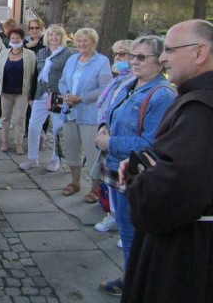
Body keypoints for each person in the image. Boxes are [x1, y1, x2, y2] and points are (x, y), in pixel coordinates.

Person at [119, 20, 213, 303]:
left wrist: (138, 179)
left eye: (170, 50)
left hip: (189, 253)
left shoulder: (201, 111)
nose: (162, 58)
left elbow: (174, 190)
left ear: (200, 53)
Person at [93, 36, 176, 297]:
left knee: (132, 236)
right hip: (120, 170)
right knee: (129, 233)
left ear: (160, 61)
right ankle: (131, 278)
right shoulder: (132, 84)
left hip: (135, 174)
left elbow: (151, 143)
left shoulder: (161, 95)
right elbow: (111, 112)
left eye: (142, 57)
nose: (134, 61)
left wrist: (111, 142)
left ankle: (134, 286)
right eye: (133, 56)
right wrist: (104, 126)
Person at [58, 28, 112, 202]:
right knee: (71, 148)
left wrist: (81, 98)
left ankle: (95, 188)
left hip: (89, 113)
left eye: (85, 41)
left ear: (93, 43)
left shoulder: (102, 61)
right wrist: (66, 93)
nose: (81, 44)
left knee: (92, 152)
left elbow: (105, 88)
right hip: (69, 112)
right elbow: (62, 81)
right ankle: (75, 182)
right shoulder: (72, 59)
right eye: (79, 41)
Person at [93, 39, 134, 233]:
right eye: (116, 54)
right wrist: (103, 126)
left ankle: (124, 224)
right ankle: (112, 215)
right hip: (107, 131)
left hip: (120, 138)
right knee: (110, 181)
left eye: (123, 54)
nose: (118, 58)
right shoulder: (118, 78)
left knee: (122, 184)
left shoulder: (133, 81)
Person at [21, 25, 73, 170]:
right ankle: (32, 158)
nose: (54, 38)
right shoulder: (42, 52)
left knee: (57, 127)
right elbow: (36, 74)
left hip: (58, 95)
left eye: (57, 35)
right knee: (33, 126)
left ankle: (55, 159)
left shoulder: (67, 54)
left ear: (62, 37)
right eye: (51, 35)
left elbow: (69, 76)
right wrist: (31, 95)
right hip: (40, 93)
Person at [0, 27, 36, 154]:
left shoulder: (30, 55)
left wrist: (31, 94)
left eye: (18, 38)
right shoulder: (3, 53)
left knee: (20, 118)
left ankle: (19, 143)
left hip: (22, 92)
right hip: (6, 91)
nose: (15, 40)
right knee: (5, 117)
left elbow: (33, 74)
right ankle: (4, 141)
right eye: (12, 38)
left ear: (22, 39)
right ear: (9, 39)